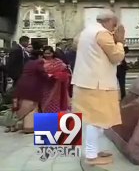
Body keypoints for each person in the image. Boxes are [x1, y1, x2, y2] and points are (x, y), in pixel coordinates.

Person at [72, 11, 125, 166]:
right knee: (96, 121)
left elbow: (77, 46)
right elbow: (116, 56)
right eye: (114, 24)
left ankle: (93, 151)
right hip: (98, 84)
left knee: (96, 120)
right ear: (108, 21)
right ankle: (91, 154)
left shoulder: (86, 31)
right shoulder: (102, 34)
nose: (114, 28)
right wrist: (120, 42)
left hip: (85, 82)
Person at [5, 50, 50, 133]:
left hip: (21, 84)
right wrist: (49, 78)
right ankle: (29, 126)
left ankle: (14, 125)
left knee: (21, 104)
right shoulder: (39, 62)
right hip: (32, 86)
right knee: (31, 106)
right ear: (40, 56)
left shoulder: (28, 62)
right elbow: (42, 73)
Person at [40, 46, 71, 113]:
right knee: (46, 102)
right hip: (46, 86)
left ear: (53, 53)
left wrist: (60, 75)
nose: (47, 55)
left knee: (57, 101)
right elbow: (38, 73)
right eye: (45, 53)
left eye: (49, 53)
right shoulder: (40, 62)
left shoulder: (58, 61)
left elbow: (65, 71)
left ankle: (57, 116)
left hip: (58, 86)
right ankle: (46, 117)